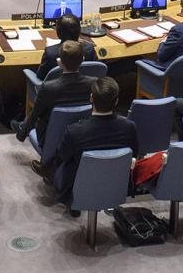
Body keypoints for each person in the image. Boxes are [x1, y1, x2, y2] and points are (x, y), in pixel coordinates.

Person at [40, 77, 138, 205]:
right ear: (116, 101)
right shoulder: (130, 127)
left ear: (91, 98)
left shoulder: (74, 131)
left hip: (79, 186)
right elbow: (134, 155)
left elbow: (61, 158)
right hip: (117, 184)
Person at [16, 40, 94, 142]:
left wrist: (22, 134)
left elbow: (35, 114)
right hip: (81, 136)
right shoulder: (94, 83)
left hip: (50, 138)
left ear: (59, 62)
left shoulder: (48, 88)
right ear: (83, 60)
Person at [35, 13, 98, 79]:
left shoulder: (50, 52)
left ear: (58, 33)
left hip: (56, 85)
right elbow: (98, 70)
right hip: (86, 85)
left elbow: (41, 76)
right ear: (79, 31)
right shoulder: (89, 49)